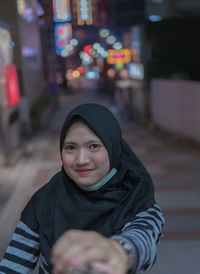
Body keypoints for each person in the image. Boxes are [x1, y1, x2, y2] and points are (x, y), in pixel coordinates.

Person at [0, 103, 164, 274]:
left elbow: (143, 241)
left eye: (94, 146)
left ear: (112, 147)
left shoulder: (137, 200)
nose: (81, 160)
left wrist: (118, 250)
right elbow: (13, 266)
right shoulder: (44, 200)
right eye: (70, 148)